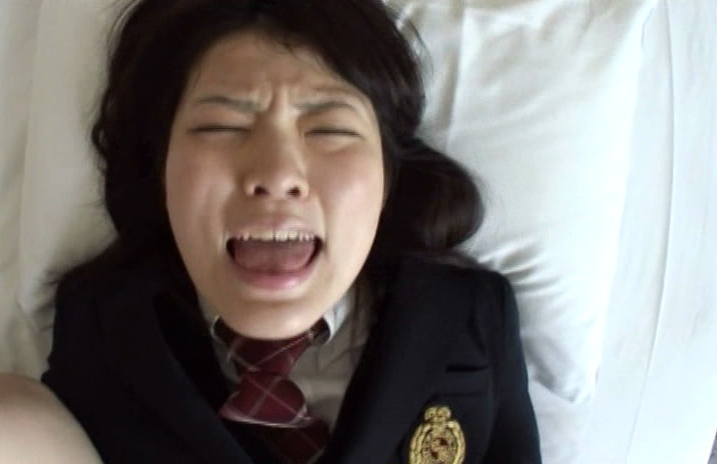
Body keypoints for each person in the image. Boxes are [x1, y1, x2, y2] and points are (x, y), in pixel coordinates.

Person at [41, 0, 541, 463]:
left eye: (330, 129)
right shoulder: (101, 326)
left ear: (389, 177)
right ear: (161, 168)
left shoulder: (472, 313)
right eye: (222, 126)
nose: (278, 174)